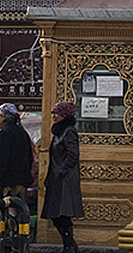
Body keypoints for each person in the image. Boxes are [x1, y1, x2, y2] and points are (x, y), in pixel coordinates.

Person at [43, 102, 84, 253]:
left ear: (65, 115)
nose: (54, 116)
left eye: (57, 113)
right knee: (55, 213)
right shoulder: (59, 132)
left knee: (62, 213)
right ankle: (69, 244)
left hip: (64, 179)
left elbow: (73, 154)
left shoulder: (69, 131)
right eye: (53, 113)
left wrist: (62, 170)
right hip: (56, 178)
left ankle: (70, 245)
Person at [0, 103, 34, 202]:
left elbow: (0, 159)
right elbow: (30, 157)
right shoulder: (23, 133)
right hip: (22, 181)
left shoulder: (4, 135)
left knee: (8, 207)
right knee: (20, 208)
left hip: (8, 183)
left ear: (4, 118)